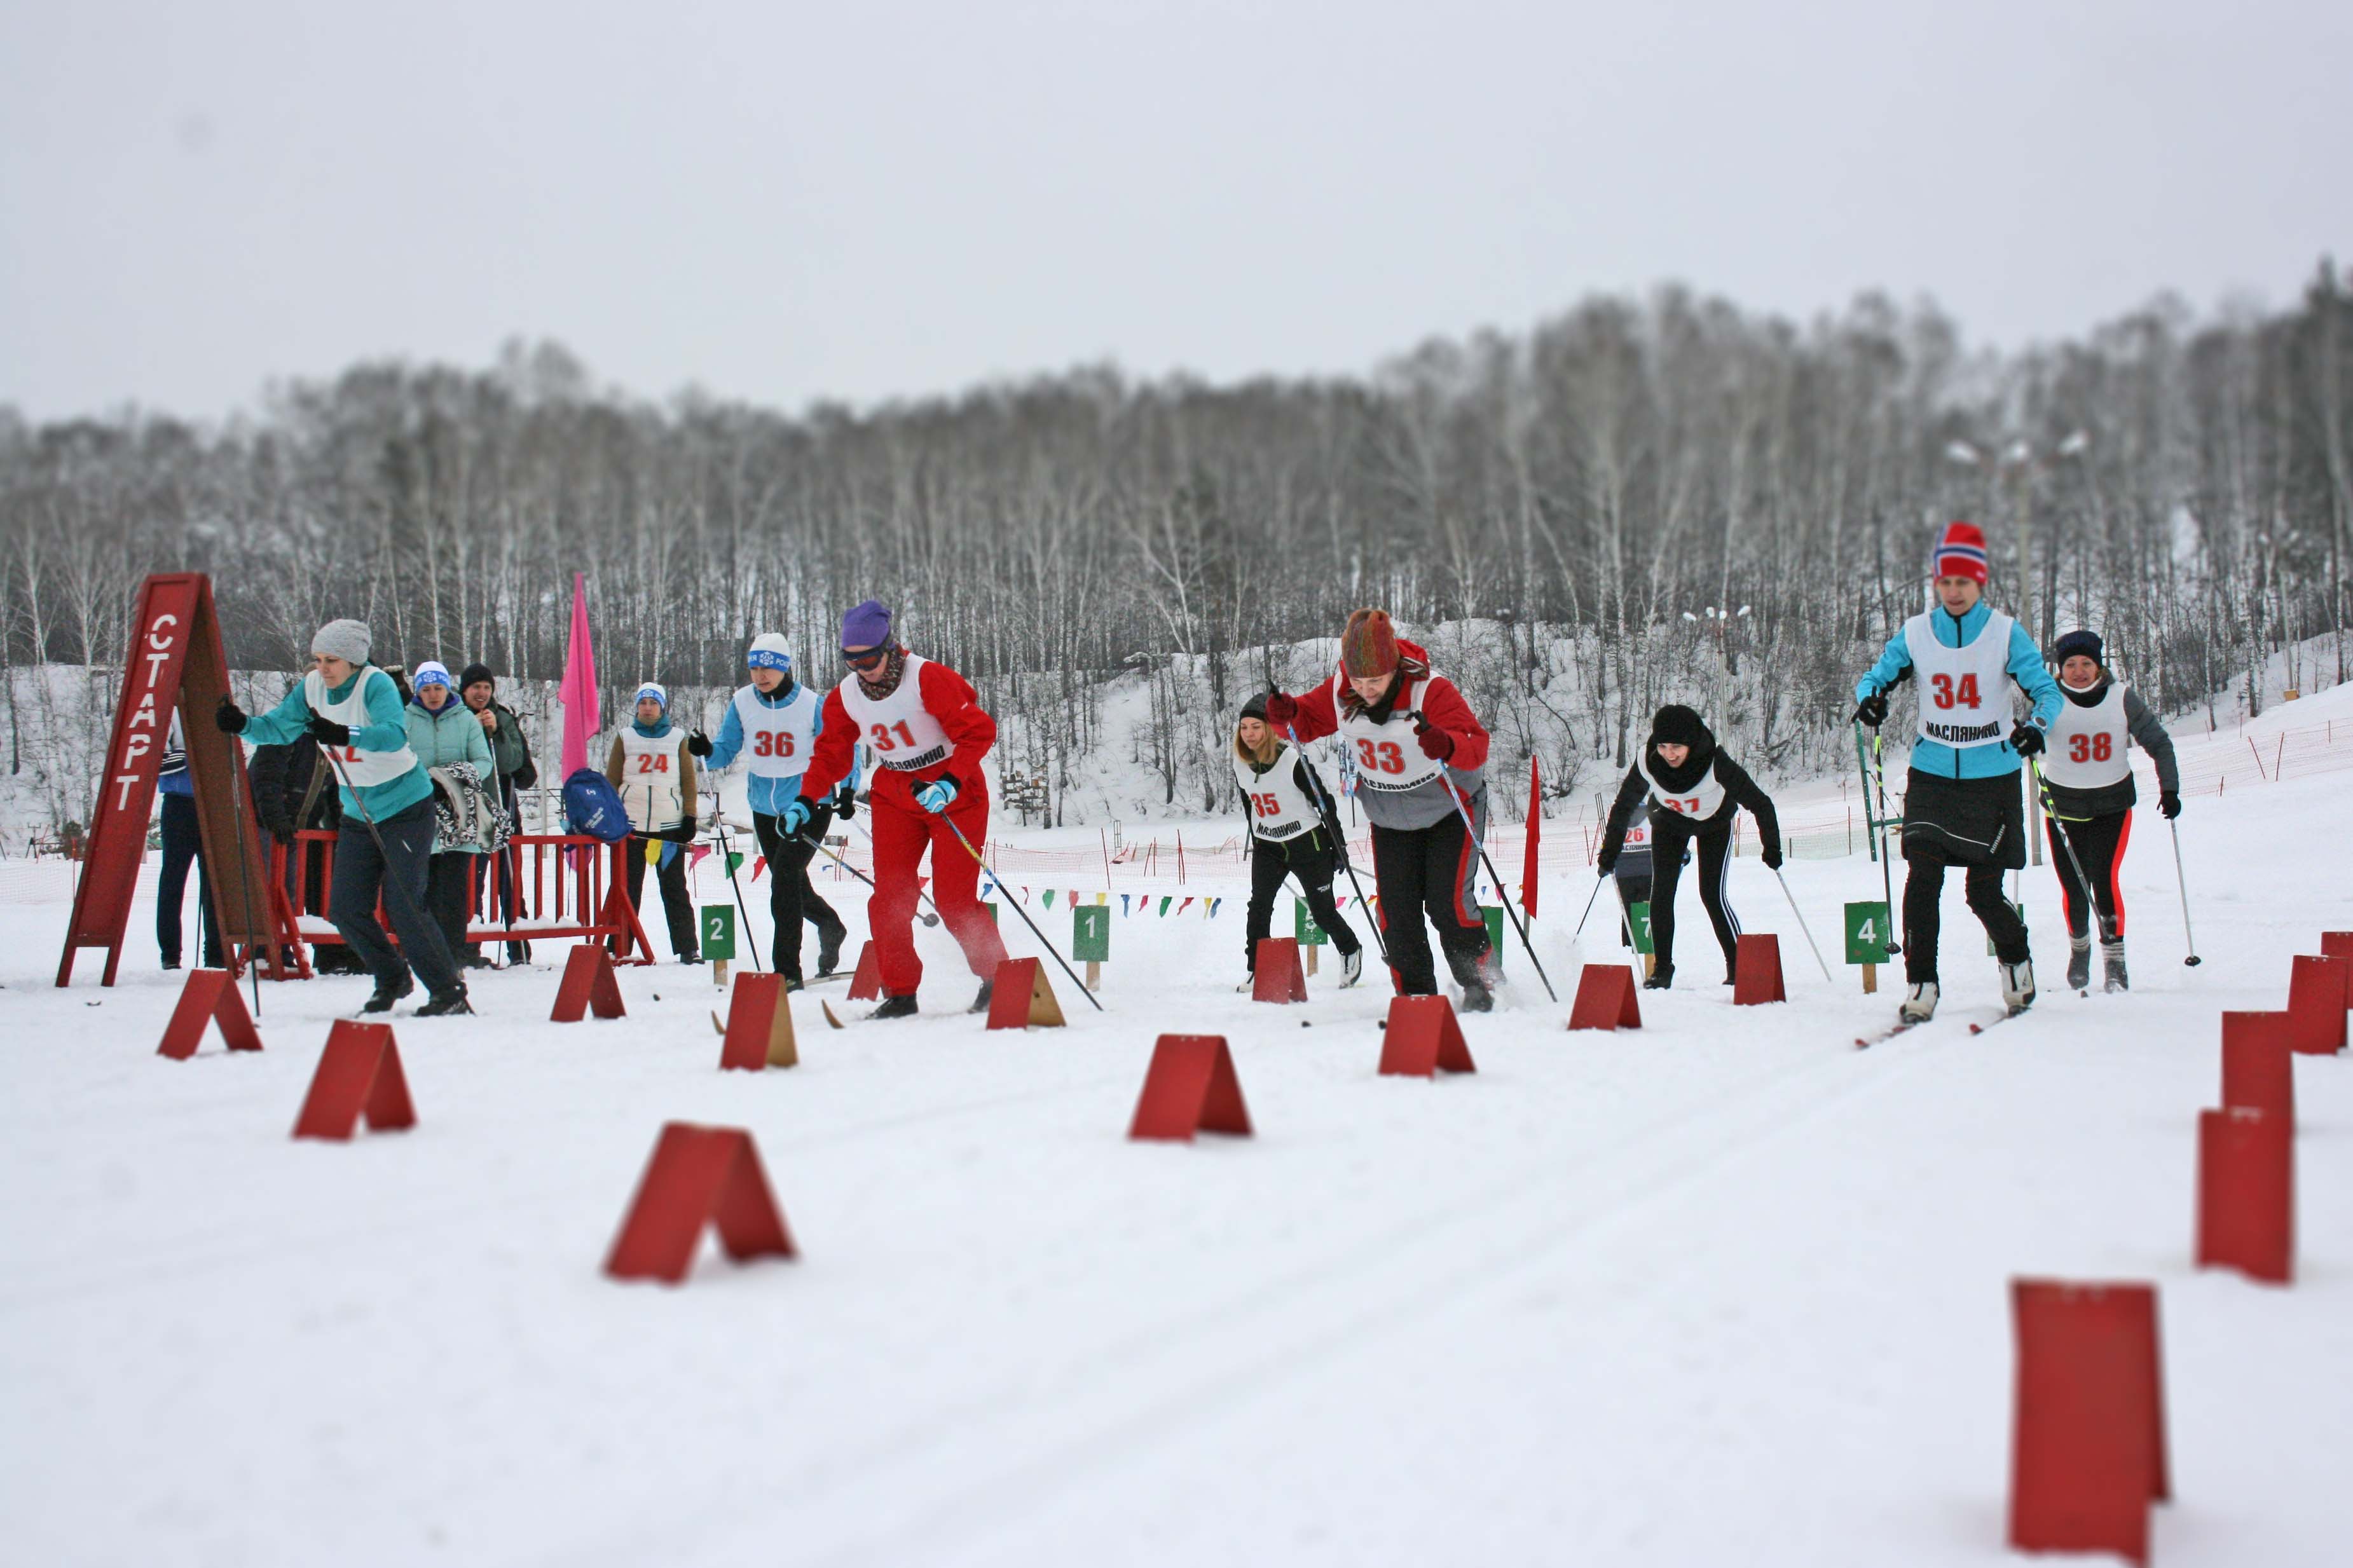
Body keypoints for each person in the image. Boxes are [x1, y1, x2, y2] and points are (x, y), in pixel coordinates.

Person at [1852, 521, 2063, 1023]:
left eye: (1962, 582)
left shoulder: (2005, 632)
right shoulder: (1916, 632)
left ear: (1980, 582)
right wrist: (1870, 701)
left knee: (1981, 892)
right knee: (1922, 877)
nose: (1952, 591)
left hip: (1991, 776)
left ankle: (2015, 957)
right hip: (1931, 774)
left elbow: (2047, 693)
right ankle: (1920, 980)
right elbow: (1874, 677)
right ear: (1934, 582)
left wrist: (2036, 727)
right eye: (1944, 582)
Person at [215, 618, 471, 1016]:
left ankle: (448, 991)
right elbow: (279, 729)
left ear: (353, 660)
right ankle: (392, 977)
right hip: (356, 809)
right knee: (346, 907)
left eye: (332, 660)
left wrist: (343, 734)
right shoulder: (312, 687)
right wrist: (243, 725)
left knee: (404, 903)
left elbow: (393, 735)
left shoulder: (375, 684)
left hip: (405, 806)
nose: (323, 668)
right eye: (318, 659)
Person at [780, 599, 1008, 1018]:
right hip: (894, 792)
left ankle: (1000, 980)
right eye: (852, 660)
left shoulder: (928, 678)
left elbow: (979, 731)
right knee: (889, 899)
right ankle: (901, 991)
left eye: (869, 658)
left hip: (951, 788)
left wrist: (950, 781)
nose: (862, 668)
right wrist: (803, 800)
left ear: (888, 647)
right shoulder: (846, 696)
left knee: (953, 899)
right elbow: (830, 752)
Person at [1263, 608, 1498, 1009]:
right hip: (1389, 816)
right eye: (1359, 680)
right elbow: (1303, 725)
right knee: (1397, 911)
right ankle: (1415, 993)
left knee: (1448, 903)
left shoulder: (1432, 691)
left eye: (1375, 680)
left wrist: (1448, 744)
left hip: (1449, 809)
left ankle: (1480, 982)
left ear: (1395, 669)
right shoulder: (1341, 689)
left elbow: (1476, 746)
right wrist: (1285, 715)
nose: (1366, 689)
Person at [687, 634, 853, 987]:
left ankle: (786, 972)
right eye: (755, 668)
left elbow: (841, 748)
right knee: (789, 880)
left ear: (784, 666)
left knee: (784, 884)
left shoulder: (811, 703)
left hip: (809, 804)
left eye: (769, 668)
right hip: (764, 807)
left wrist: (848, 790)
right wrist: (705, 750)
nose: (761, 675)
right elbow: (725, 752)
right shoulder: (742, 701)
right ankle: (829, 924)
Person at [1595, 705, 1783, 989]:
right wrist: (1610, 852)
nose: (1669, 754)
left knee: (1711, 893)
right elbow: (1624, 806)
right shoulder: (1648, 761)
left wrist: (1771, 847)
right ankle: (1663, 969)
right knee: (1661, 893)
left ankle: (1737, 964)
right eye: (1663, 746)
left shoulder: (1715, 761)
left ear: (1691, 744)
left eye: (1677, 747)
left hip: (1714, 825)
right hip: (1670, 824)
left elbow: (1761, 803)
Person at [2040, 629, 2183, 993]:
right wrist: (2025, 737)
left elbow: (2158, 742)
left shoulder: (2122, 697)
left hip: (2111, 806)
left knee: (2103, 880)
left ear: (2099, 665)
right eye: (2070, 664)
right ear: (2060, 668)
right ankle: (2080, 950)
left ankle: (2115, 961)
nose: (2078, 671)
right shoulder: (2049, 698)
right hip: (2063, 807)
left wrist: (2170, 789)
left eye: (2086, 663)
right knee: (2074, 886)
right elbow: (2031, 731)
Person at [1231, 693, 1364, 989]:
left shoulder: (1292, 760)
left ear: (1269, 729)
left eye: (1256, 727)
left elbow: (1324, 802)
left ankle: (1351, 948)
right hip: (1269, 848)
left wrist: (1338, 846)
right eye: (1244, 728)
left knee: (1321, 911)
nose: (1250, 734)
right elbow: (1248, 803)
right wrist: (1256, 836)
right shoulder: (1240, 763)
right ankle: (1257, 968)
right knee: (1260, 906)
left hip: (1308, 845)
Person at [247, 726, 363, 974]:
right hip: (267, 823)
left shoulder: (331, 739)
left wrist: (344, 824)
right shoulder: (286, 730)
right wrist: (275, 817)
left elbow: (335, 787)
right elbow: (266, 777)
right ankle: (260, 952)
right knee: (268, 887)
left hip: (296, 826)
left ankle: (280, 950)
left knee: (289, 892)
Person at [404, 660, 496, 973]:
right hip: (420, 810)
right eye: (427, 689)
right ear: (418, 691)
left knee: (455, 889)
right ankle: (429, 955)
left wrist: (457, 776)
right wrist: (421, 780)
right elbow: (396, 758)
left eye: (438, 688)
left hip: (459, 812)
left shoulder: (466, 720)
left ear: (448, 689)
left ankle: (454, 955)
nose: (433, 695)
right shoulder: (405, 719)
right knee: (425, 887)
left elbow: (484, 761)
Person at [605, 683, 702, 964]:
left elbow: (688, 780)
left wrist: (690, 816)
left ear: (662, 707)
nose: (648, 708)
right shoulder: (625, 737)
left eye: (654, 703)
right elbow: (612, 779)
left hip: (668, 826)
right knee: (626, 889)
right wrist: (612, 814)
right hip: (631, 826)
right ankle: (619, 946)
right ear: (637, 706)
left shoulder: (677, 738)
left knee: (674, 889)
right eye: (643, 702)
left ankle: (687, 947)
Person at [459, 662, 537, 964]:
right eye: (475, 687)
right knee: (470, 882)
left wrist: (495, 734)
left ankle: (518, 947)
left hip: (503, 807)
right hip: (467, 812)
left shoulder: (503, 718)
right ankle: (469, 947)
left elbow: (513, 765)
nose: (481, 693)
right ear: (464, 690)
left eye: (486, 688)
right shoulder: (455, 718)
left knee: (509, 880)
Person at [154, 711, 224, 970]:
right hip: (178, 803)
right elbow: (157, 761)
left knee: (215, 883)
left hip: (213, 803)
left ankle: (217, 951)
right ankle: (170, 953)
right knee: (173, 880)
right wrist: (194, 756)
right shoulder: (169, 710)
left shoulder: (213, 704)